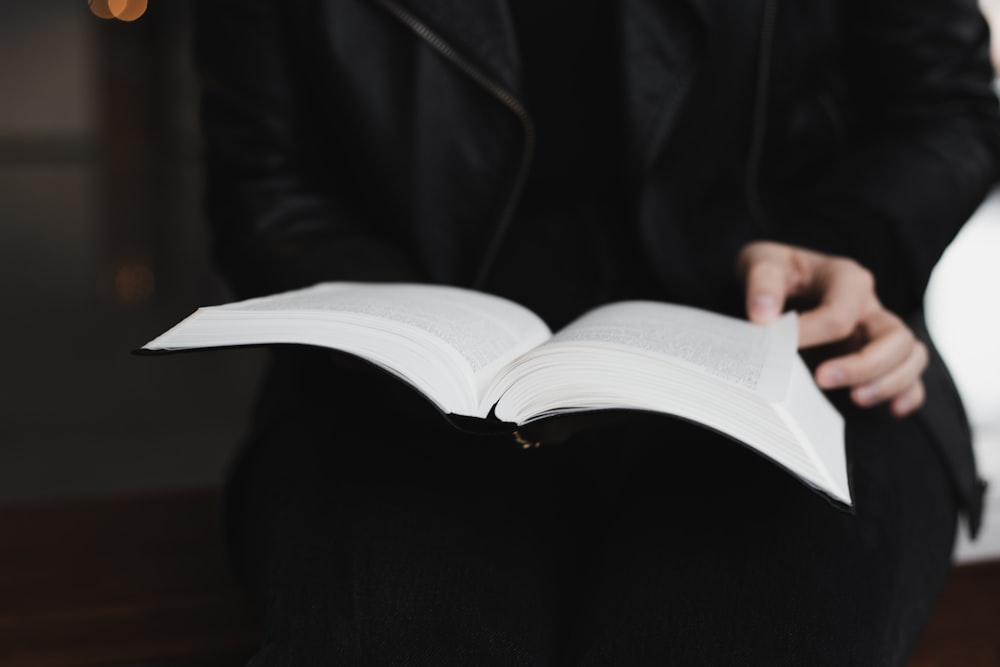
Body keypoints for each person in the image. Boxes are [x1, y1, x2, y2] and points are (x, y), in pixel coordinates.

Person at [194, 0, 1000, 664]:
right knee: (397, 632)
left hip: (796, 357)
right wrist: (409, 334)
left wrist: (846, 245)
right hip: (404, 397)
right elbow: (264, 182)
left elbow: (948, 106)